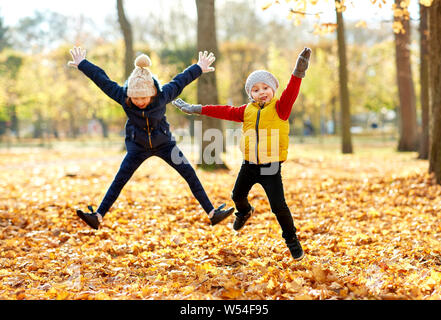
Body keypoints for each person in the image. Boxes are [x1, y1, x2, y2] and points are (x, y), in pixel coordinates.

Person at [67, 46, 234, 230]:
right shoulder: (124, 97)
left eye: (143, 98)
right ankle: (97, 216)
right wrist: (83, 64)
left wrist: (199, 67)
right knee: (120, 179)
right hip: (137, 147)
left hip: (165, 145)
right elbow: (103, 81)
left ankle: (212, 213)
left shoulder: (163, 95)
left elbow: (180, 81)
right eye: (135, 98)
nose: (139, 102)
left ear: (152, 92)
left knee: (189, 173)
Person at [172, 48, 311, 260]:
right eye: (255, 90)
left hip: (271, 167)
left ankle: (292, 240)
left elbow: (291, 91)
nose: (261, 92)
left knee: (278, 206)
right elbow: (223, 110)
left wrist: (298, 72)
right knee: (237, 195)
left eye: (265, 87)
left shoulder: (281, 109)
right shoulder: (246, 111)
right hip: (249, 164)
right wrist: (196, 108)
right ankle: (244, 211)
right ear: (250, 94)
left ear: (273, 90)